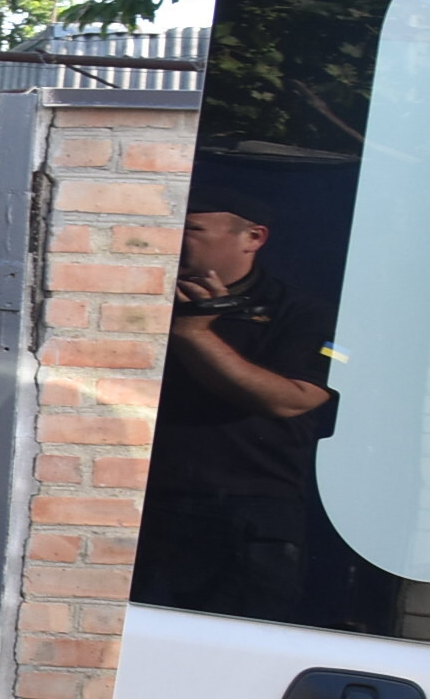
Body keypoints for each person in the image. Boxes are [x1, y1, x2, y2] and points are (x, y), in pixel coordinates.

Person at [129, 194, 339, 624]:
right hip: (143, 503)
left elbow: (292, 399)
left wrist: (194, 334)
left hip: (248, 515)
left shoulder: (306, 314)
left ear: (253, 238)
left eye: (191, 228)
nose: (173, 238)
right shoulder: (134, 300)